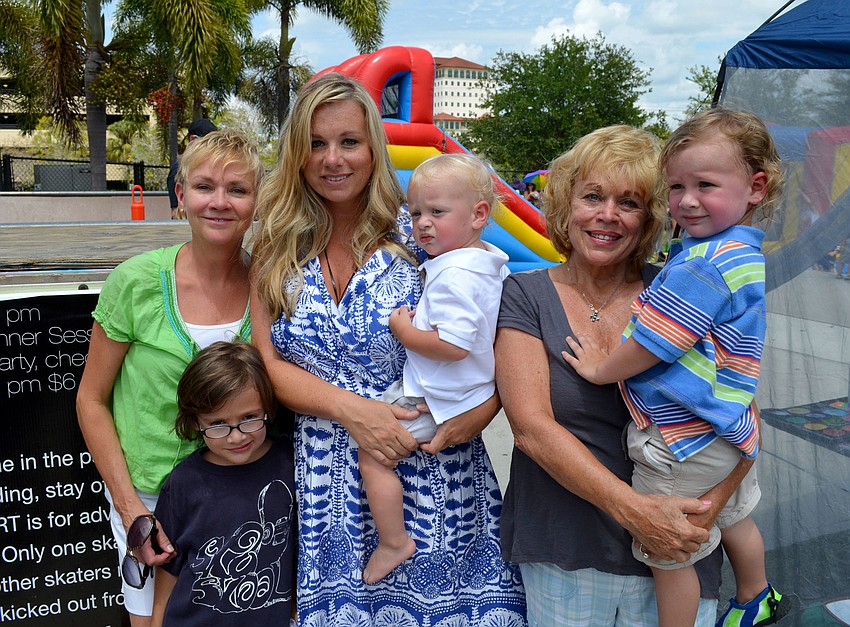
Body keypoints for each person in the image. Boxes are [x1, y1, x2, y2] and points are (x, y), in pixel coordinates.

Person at [250, 73, 526, 625]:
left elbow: (498, 335)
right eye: (317, 143)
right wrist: (358, 415)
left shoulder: (423, 230)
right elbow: (270, 366)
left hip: (432, 461)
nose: (334, 159)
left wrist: (482, 411)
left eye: (349, 141)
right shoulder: (274, 244)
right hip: (331, 477)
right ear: (297, 154)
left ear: (373, 147)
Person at [495, 124, 755, 627]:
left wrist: (706, 511)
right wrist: (637, 511)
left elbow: (743, 413)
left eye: (629, 202)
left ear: (651, 217)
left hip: (681, 555)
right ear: (566, 204)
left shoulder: (686, 290)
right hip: (566, 553)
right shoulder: (525, 294)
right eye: (593, 196)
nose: (608, 216)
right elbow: (530, 430)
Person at [562, 110, 789, 627]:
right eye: (676, 187)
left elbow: (656, 342)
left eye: (705, 185)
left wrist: (601, 370)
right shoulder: (740, 253)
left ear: (756, 187)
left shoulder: (701, 265)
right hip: (727, 428)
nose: (686, 201)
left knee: (669, 553)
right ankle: (756, 594)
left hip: (682, 436)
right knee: (735, 516)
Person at [76, 130, 262, 627]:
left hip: (247, 495)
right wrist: (130, 507)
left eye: (238, 190)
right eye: (204, 187)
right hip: (154, 503)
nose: (219, 202)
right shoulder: (135, 282)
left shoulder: (272, 286)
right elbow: (91, 400)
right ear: (180, 195)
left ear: (257, 200)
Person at [361, 153, 510, 584]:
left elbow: (453, 345)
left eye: (437, 212)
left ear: (479, 214)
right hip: (463, 392)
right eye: (416, 213)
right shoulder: (485, 262)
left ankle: (393, 541)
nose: (422, 224)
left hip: (435, 396)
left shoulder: (455, 274)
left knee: (372, 456)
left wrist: (403, 330)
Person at [150, 341, 296, 627]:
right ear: (194, 422)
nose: (236, 437)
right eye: (217, 423)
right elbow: (168, 569)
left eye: (249, 418)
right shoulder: (183, 483)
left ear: (268, 408)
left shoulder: (290, 463)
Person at [167, 118, 218, 219]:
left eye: (215, 143)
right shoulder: (178, 168)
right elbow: (176, 211)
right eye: (207, 142)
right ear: (193, 139)